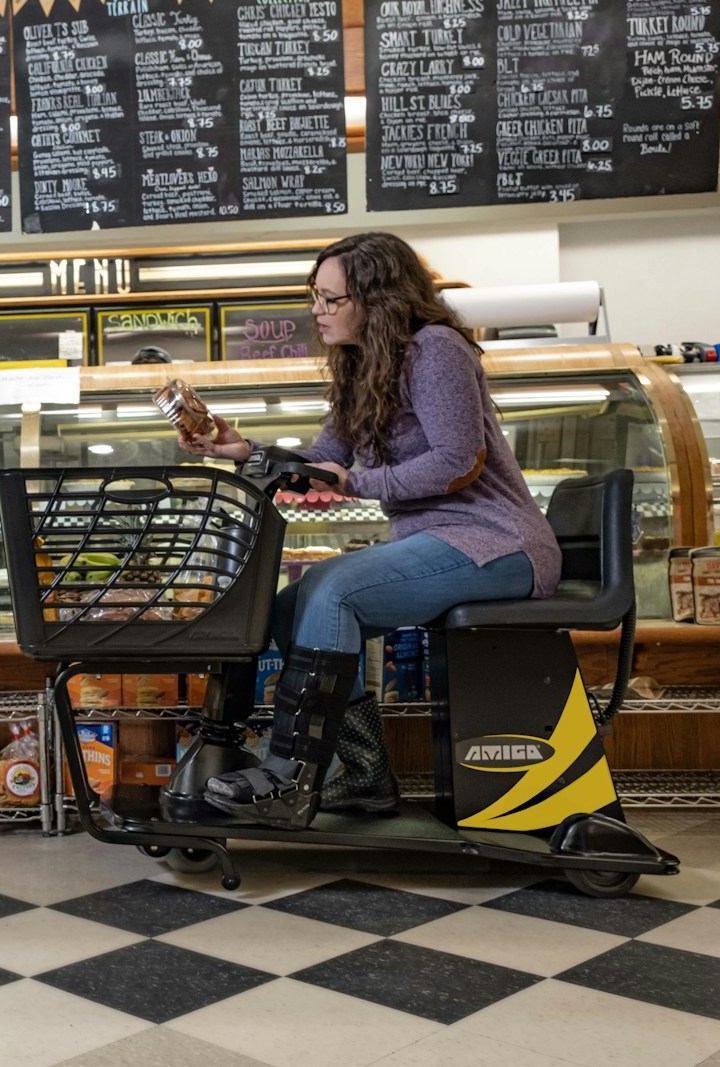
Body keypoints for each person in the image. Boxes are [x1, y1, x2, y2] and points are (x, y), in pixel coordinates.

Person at [178, 231, 561, 829]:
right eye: (315, 297)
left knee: (335, 590)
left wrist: (356, 482)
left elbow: (457, 460)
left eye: (332, 300)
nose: (317, 311)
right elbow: (323, 459)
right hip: (437, 543)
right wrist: (241, 449)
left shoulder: (436, 349)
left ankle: (288, 776)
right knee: (289, 607)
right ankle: (365, 778)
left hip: (496, 541)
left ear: (378, 299)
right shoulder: (361, 367)